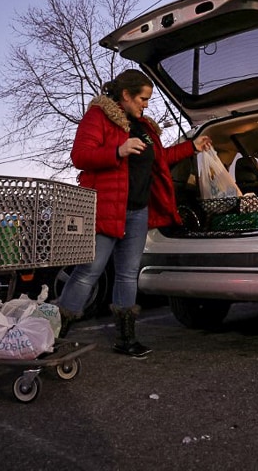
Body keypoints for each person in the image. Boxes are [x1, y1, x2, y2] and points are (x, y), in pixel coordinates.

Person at [55, 68, 211, 357]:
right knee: (89, 271)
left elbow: (160, 158)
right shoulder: (98, 117)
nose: (146, 104)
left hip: (137, 212)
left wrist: (192, 147)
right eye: (142, 98)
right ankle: (53, 337)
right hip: (105, 209)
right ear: (125, 95)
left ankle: (126, 339)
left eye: (148, 99)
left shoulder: (146, 127)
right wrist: (118, 150)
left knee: (128, 275)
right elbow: (80, 155)